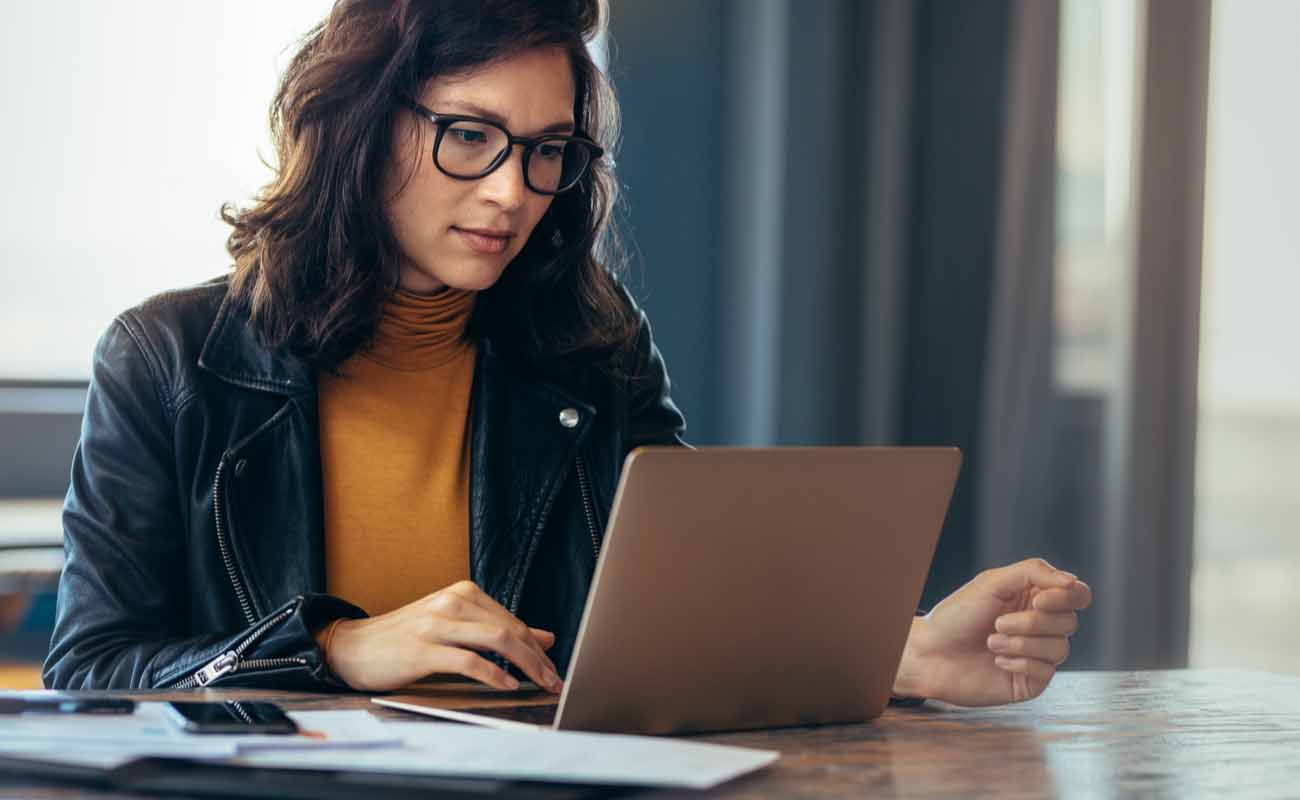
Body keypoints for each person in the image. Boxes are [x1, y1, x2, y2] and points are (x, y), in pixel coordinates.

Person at [43, 0, 1092, 708]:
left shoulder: (588, 341)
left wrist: (900, 650)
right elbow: (91, 669)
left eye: (548, 150)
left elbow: (687, 610)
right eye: (469, 135)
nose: (511, 190)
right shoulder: (170, 358)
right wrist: (332, 650)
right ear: (359, 124)